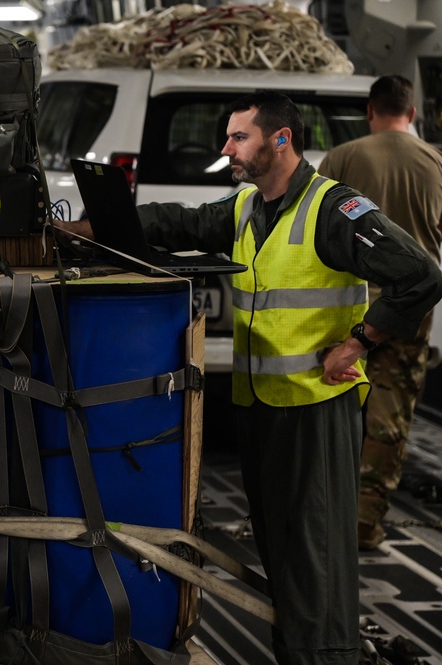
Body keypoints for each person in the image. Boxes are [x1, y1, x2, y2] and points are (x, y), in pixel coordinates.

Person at [56, 92, 442, 664]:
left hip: (315, 407)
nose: (226, 148)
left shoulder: (334, 210)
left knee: (314, 554)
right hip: (262, 405)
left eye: (239, 137)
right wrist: (92, 229)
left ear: (280, 139)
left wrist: (361, 341)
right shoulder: (246, 208)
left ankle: (326, 657)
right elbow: (179, 221)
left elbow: (420, 275)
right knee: (281, 551)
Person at [317, 74, 442, 550]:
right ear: (410, 113)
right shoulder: (435, 161)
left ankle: (321, 514)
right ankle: (365, 524)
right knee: (389, 421)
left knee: (333, 413)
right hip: (407, 314)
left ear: (371, 111)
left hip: (347, 308)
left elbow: (316, 222)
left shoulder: (344, 157)